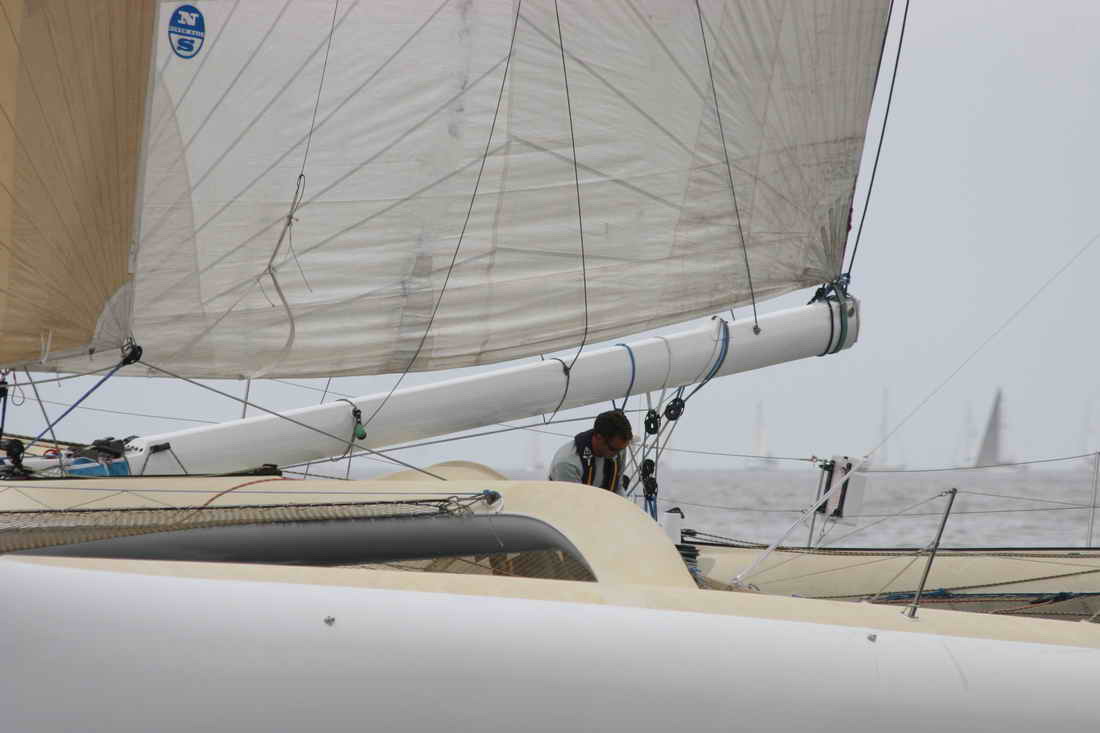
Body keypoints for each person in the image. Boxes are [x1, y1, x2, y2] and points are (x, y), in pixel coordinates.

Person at [548, 410, 633, 494]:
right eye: (613, 449)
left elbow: (618, 487)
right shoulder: (568, 464)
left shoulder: (618, 448)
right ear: (599, 438)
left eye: (622, 449)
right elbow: (572, 500)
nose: (617, 455)